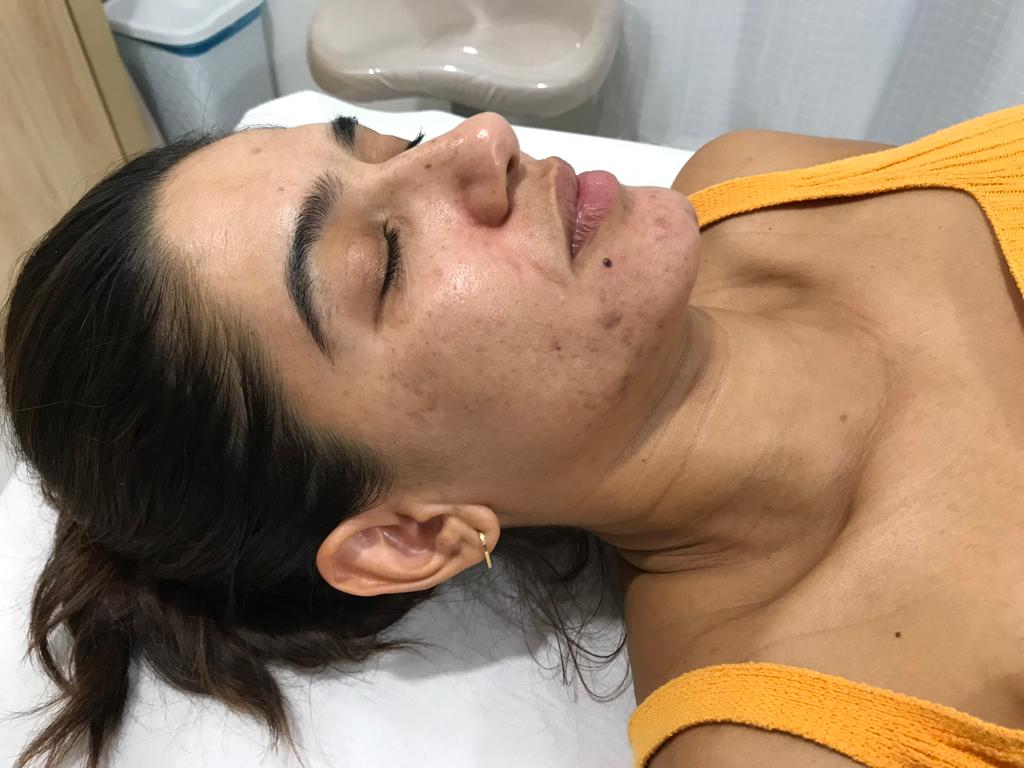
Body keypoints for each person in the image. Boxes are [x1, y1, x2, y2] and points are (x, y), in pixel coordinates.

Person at [4, 106, 1023, 768]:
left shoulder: (761, 181)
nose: (484, 138)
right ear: (409, 536)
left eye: (396, 145)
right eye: (387, 258)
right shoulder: (803, 742)